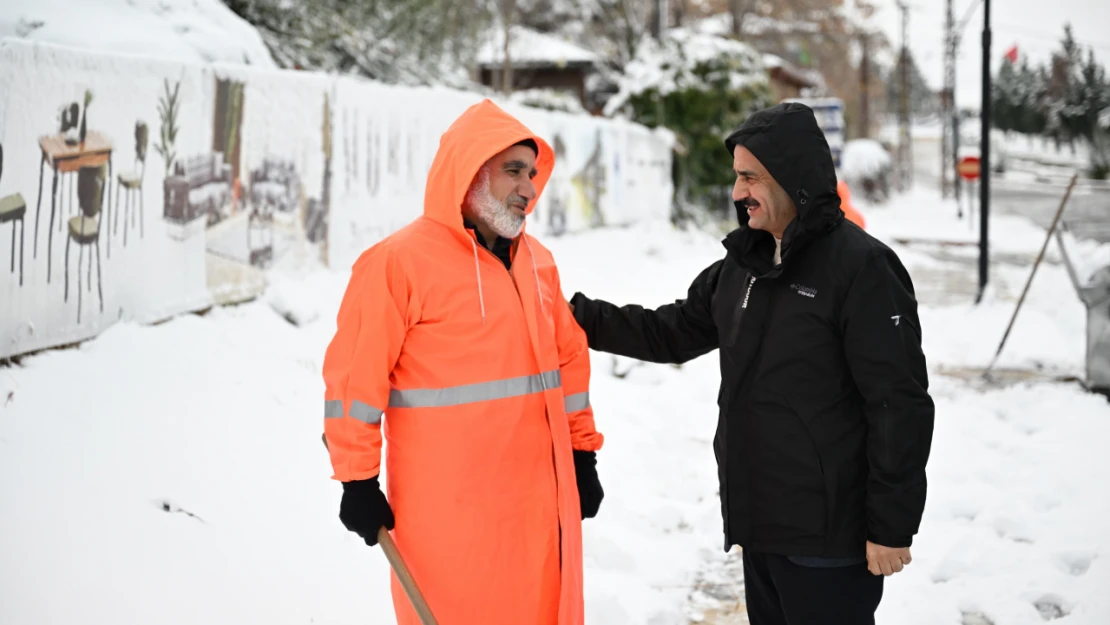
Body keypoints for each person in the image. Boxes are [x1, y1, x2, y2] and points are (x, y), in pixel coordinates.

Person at [568, 102, 934, 625]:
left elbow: (898, 404)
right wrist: (571, 318)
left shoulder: (863, 269)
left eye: (750, 177)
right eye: (737, 177)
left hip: (829, 537)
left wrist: (892, 525)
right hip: (760, 524)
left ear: (792, 179)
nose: (738, 192)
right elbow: (670, 332)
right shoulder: (744, 266)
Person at [321, 98, 604, 625]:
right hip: (447, 513)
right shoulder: (398, 264)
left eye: (533, 174)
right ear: (469, 172)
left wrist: (582, 454)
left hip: (540, 507)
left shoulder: (538, 264)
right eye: (513, 171)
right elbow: (354, 381)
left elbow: (569, 367)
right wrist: (357, 481)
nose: (529, 187)